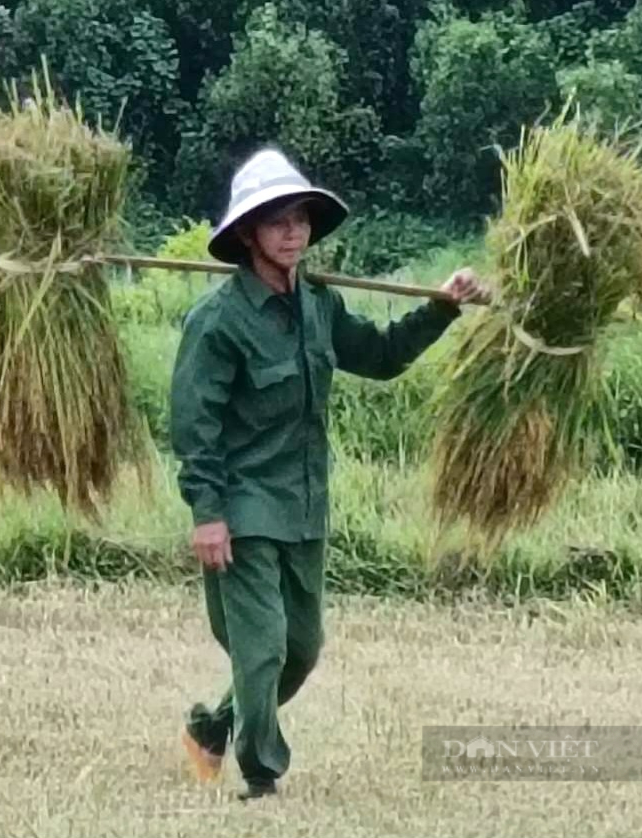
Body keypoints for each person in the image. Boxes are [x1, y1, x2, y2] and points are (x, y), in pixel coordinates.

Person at [170, 148, 490, 802]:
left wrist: (441, 308)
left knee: (301, 649)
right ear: (246, 234)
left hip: (305, 504)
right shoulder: (218, 322)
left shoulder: (319, 305)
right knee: (259, 651)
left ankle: (213, 725)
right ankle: (262, 777)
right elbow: (193, 423)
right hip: (243, 507)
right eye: (275, 221)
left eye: (300, 219)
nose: (291, 232)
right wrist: (207, 513)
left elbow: (378, 356)